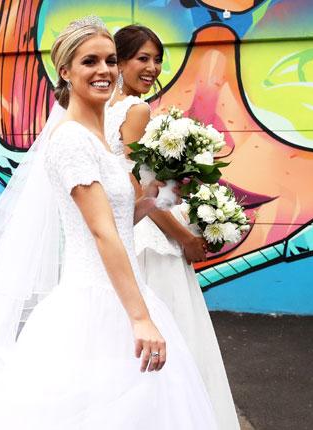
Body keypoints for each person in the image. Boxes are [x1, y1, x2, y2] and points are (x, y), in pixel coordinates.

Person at [0, 17, 216, 429]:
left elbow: (114, 220)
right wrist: (139, 317)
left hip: (123, 293)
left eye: (110, 60)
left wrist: (155, 199)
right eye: (90, 61)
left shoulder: (99, 139)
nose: (104, 70)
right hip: (95, 305)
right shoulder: (70, 141)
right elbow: (101, 233)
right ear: (65, 71)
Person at [106, 24, 239, 430]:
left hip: (128, 234)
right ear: (121, 62)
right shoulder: (136, 110)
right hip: (152, 240)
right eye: (142, 59)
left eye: (157, 59)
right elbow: (139, 189)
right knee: (173, 334)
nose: (153, 67)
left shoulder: (104, 109)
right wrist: (185, 235)